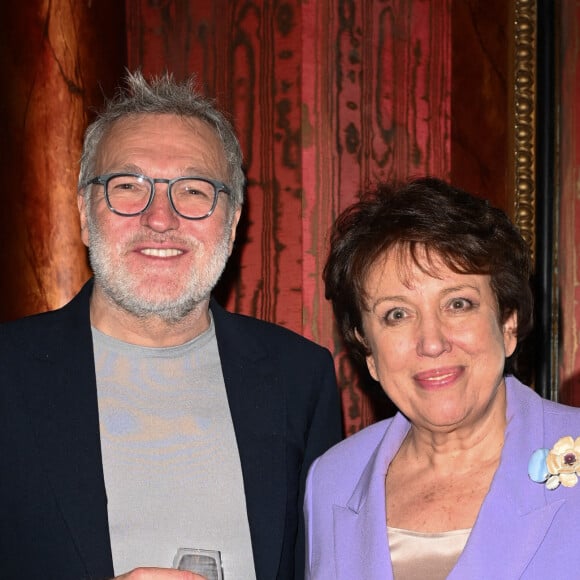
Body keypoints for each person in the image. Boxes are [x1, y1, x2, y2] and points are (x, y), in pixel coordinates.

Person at [0, 71, 342, 580]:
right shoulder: (8, 373)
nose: (160, 217)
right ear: (82, 211)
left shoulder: (300, 378)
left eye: (194, 190)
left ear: (233, 219)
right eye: (127, 186)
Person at [304, 177, 580, 579]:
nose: (431, 342)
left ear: (507, 324)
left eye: (458, 304)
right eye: (397, 314)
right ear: (369, 352)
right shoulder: (331, 480)